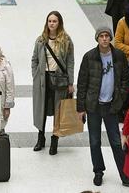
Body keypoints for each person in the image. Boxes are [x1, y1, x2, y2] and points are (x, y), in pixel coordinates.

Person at [77, 27, 129, 187]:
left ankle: (126, 175)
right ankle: (98, 171)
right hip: (93, 106)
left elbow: (125, 79)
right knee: (94, 141)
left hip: (111, 106)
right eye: (101, 36)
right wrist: (80, 108)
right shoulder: (89, 57)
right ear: (97, 38)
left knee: (116, 142)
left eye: (107, 36)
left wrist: (120, 98)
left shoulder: (119, 56)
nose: (105, 39)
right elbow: (82, 83)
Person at [31, 11, 75, 154]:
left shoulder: (66, 40)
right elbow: (34, 60)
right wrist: (35, 75)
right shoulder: (40, 40)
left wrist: (70, 82)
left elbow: (70, 62)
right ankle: (40, 137)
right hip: (43, 80)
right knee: (41, 109)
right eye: (49, 21)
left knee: (58, 110)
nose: (51, 24)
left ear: (59, 23)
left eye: (54, 21)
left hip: (60, 80)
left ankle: (54, 140)